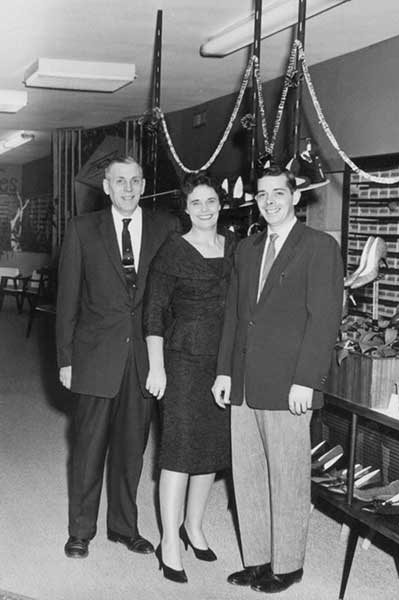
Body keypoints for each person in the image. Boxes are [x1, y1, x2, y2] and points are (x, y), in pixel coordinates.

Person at [212, 165, 344, 594]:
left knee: (287, 475)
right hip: (245, 381)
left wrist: (307, 380)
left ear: (295, 196)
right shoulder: (247, 250)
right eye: (262, 194)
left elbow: (323, 320)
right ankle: (258, 559)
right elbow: (234, 315)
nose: (269, 201)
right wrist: (224, 372)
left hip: (290, 384)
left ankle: (288, 565)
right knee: (247, 474)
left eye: (278, 193)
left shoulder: (319, 246)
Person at [56, 155, 179, 559]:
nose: (127, 188)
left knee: (132, 450)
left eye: (135, 181)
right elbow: (67, 300)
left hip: (145, 358)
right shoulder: (82, 229)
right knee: (88, 448)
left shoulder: (165, 227)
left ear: (144, 186)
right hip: (94, 357)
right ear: (105, 187)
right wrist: (65, 360)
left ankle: (124, 527)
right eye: (119, 181)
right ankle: (81, 531)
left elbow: (175, 299)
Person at [143, 173, 237, 583]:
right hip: (181, 360)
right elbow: (153, 312)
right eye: (196, 202)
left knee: (210, 451)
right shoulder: (173, 251)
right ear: (186, 209)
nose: (204, 209)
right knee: (180, 451)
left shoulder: (233, 247)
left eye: (210, 201)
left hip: (222, 362)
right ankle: (168, 542)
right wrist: (157, 366)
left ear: (220, 204)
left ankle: (193, 527)